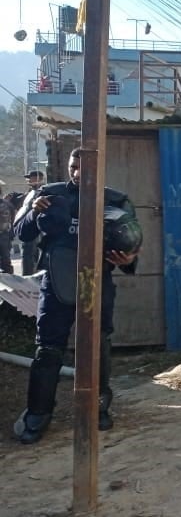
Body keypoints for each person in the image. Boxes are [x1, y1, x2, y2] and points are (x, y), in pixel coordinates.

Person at [12, 148, 141, 445]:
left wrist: (128, 260)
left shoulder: (117, 201)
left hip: (97, 282)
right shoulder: (48, 194)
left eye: (84, 167)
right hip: (56, 282)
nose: (77, 173)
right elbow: (21, 231)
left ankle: (97, 409)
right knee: (48, 349)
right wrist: (35, 212)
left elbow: (133, 244)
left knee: (98, 345)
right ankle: (37, 414)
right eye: (73, 167)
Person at [18, 170, 46, 275]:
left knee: (29, 255)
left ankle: (29, 277)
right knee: (29, 254)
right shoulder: (30, 192)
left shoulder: (42, 191)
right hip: (26, 227)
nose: (28, 180)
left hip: (35, 229)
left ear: (38, 179)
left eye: (31, 178)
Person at [0, 181, 13, 274]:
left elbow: (13, 219)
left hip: (4, 235)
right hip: (5, 235)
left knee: (5, 261)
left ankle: (10, 283)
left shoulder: (6, 204)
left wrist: (10, 234)